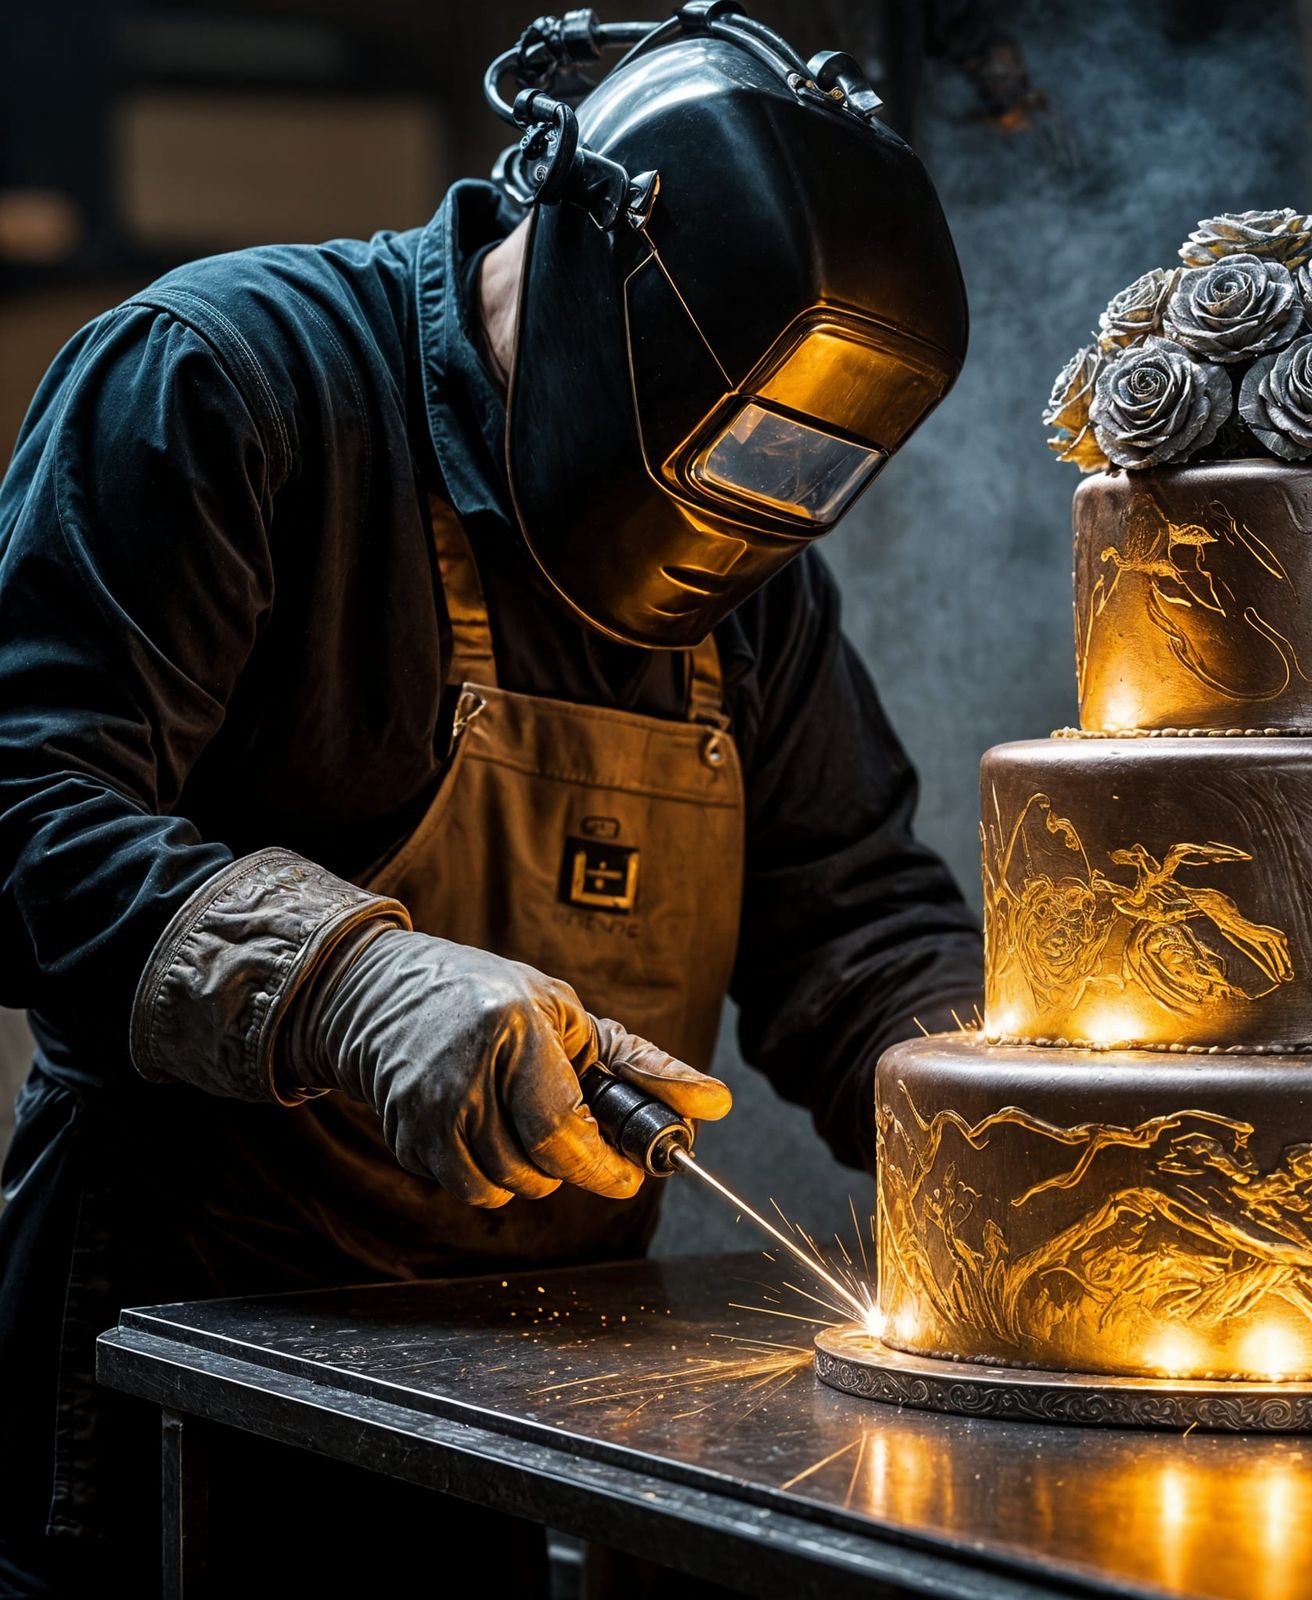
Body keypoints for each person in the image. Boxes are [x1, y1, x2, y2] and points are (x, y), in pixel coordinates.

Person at [0, 10, 982, 1593]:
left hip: (523, 1413)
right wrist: (342, 983)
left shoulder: (743, 571)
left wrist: (998, 1110)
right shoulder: (229, 380)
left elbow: (854, 910)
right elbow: (24, 800)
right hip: (182, 1382)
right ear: (593, 263)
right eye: (694, 456)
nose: (714, 546)